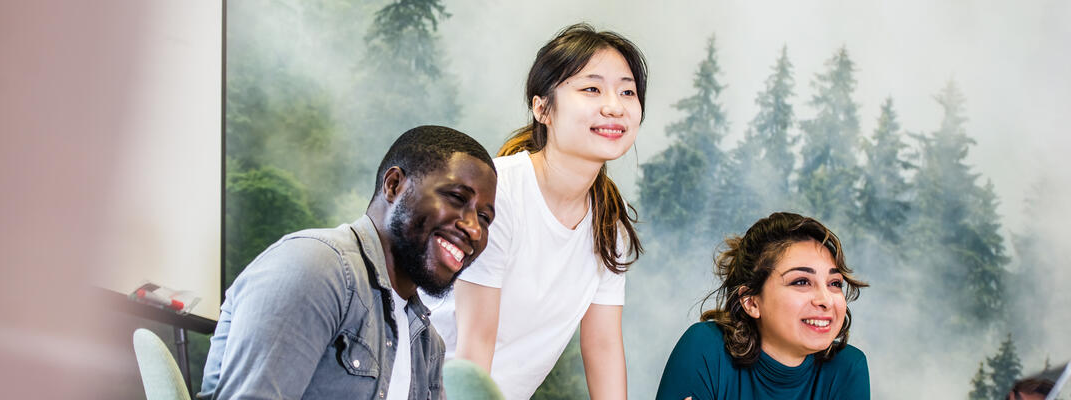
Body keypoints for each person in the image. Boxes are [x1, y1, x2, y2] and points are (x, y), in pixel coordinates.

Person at [420, 23, 646, 400]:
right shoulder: (497, 193)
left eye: (627, 91)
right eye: (591, 89)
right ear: (542, 108)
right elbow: (475, 348)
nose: (614, 106)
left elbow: (603, 347)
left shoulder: (609, 224)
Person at [199, 125, 498, 400]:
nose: (474, 229)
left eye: (484, 218)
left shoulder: (427, 344)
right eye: (456, 198)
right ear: (394, 185)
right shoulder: (317, 268)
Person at [655, 212, 870, 400]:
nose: (826, 300)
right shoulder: (704, 347)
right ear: (751, 302)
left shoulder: (849, 368)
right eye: (801, 282)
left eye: (834, 284)